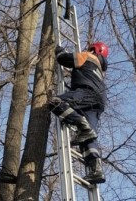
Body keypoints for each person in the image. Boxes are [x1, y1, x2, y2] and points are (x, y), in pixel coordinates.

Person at [49, 41, 109, 184]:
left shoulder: (88, 56)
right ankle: (97, 170)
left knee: (55, 102)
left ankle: (81, 124)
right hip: (98, 103)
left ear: (94, 50)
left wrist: (60, 51)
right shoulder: (100, 69)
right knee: (89, 137)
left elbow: (64, 59)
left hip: (86, 93)